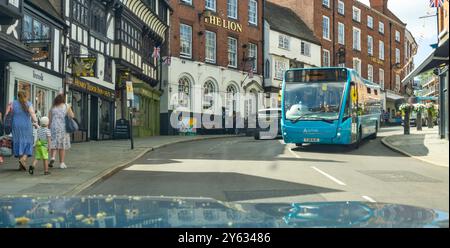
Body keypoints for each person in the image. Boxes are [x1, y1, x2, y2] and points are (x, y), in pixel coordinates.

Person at [4, 91, 39, 171]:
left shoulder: (12, 103)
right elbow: (32, 114)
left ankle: (21, 165)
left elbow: (6, 114)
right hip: (26, 126)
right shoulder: (28, 104)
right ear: (26, 96)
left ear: (18, 96)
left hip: (15, 125)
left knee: (19, 142)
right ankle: (23, 159)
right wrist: (36, 122)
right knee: (28, 142)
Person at [48, 94, 74, 169]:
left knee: (54, 143)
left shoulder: (53, 107)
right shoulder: (66, 106)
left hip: (54, 127)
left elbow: (49, 118)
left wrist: (49, 128)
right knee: (62, 146)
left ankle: (52, 157)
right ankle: (61, 163)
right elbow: (72, 116)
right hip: (63, 128)